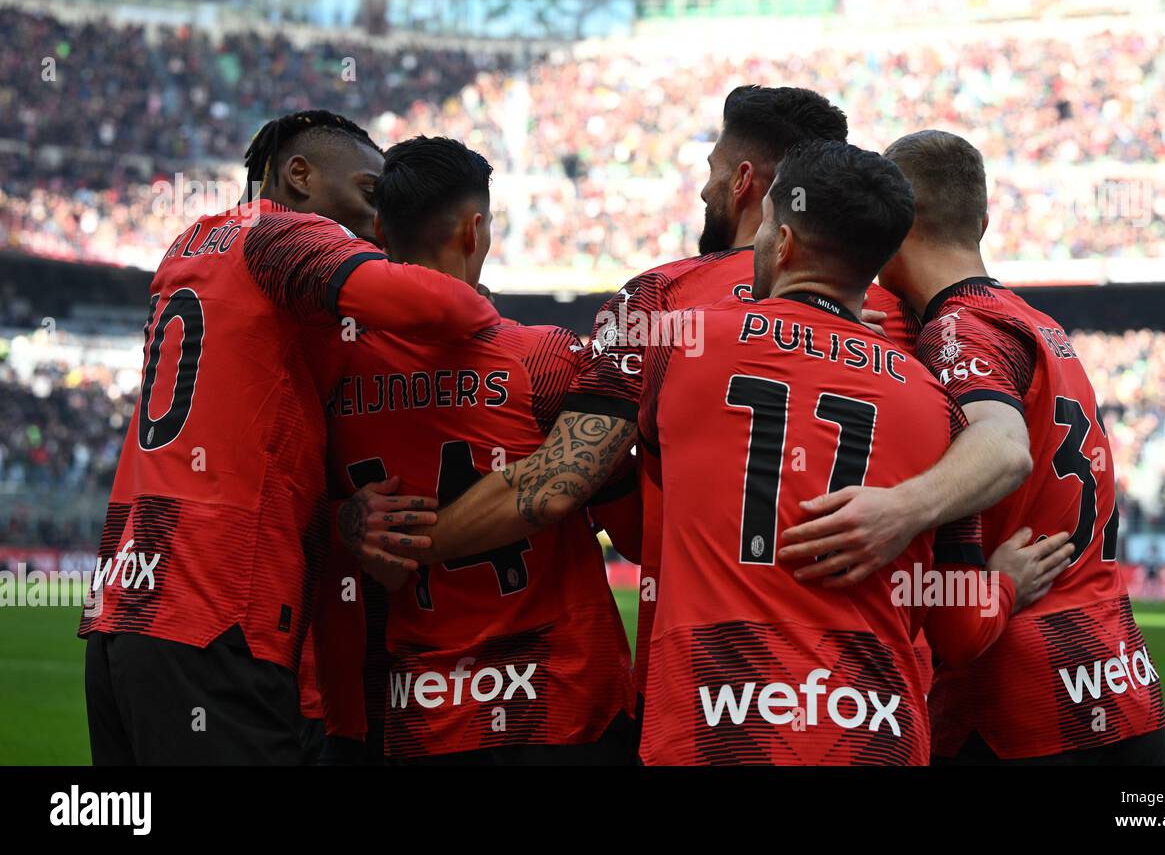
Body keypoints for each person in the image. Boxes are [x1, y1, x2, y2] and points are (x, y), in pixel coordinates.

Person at [366, 86, 1030, 720]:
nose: (704, 187)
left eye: (713, 170)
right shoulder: (909, 316)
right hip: (872, 700)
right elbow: (995, 454)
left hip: (707, 696)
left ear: (746, 183)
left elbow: (559, 485)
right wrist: (916, 515)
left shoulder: (662, 308)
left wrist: (401, 543)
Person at [80, 110, 500, 765]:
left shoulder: (193, 245)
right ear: (298, 176)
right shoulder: (281, 233)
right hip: (214, 606)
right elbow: (451, 305)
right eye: (369, 191)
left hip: (130, 603)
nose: (379, 216)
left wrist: (340, 519)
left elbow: (257, 438)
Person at [634, 139, 1071, 764]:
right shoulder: (935, 401)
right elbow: (957, 624)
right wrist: (999, 587)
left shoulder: (684, 344)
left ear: (782, 242)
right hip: (871, 729)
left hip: (715, 725)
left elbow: (640, 499)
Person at [315, 136, 636, 764]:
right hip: (563, 700)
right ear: (474, 229)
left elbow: (297, 521)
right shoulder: (541, 358)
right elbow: (635, 529)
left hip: (426, 711)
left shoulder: (328, 376)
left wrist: (347, 524)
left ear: (379, 228)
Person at [877, 129, 1165, 765]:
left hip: (1018, 701)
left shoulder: (958, 332)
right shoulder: (1039, 325)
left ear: (890, 226)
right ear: (982, 221)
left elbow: (1002, 448)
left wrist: (894, 513)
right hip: (1119, 676)